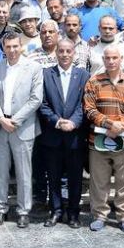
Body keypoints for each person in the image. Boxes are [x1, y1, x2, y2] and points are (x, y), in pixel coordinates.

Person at [83, 45, 124, 234]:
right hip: (99, 142)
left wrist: (122, 125)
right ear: (103, 60)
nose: (111, 61)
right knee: (98, 181)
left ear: (121, 59)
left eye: (114, 58)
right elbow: (89, 109)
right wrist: (110, 124)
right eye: (107, 58)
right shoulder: (94, 82)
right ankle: (99, 216)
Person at [0, 33, 44, 228]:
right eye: (8, 47)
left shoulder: (34, 68)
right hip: (1, 126)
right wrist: (0, 118)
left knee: (23, 173)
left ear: (21, 46)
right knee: (0, 171)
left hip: (22, 126)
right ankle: (1, 209)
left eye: (15, 46)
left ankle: (23, 211)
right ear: (3, 48)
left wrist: (15, 120)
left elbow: (36, 99)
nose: (12, 50)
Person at [37, 39, 90, 228]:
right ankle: (56, 211)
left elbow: (85, 103)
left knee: (75, 178)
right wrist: (57, 121)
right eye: (61, 51)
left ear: (74, 53)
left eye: (68, 51)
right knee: (53, 177)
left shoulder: (83, 75)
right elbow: (42, 103)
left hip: (75, 137)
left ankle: (73, 213)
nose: (65, 54)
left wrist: (74, 122)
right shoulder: (46, 74)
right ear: (56, 53)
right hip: (53, 136)